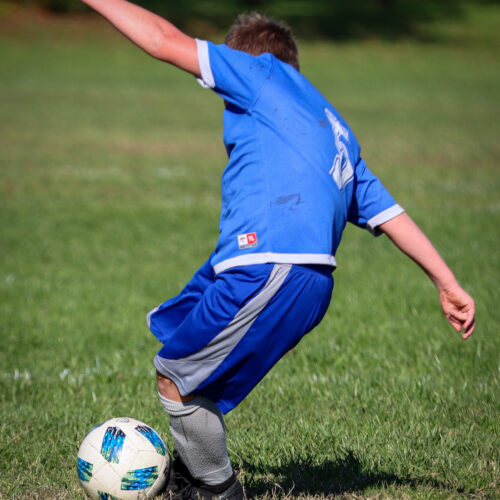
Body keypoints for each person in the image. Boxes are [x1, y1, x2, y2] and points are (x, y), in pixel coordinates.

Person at [80, 2, 476, 499]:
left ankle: (217, 490)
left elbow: (163, 40)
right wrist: (447, 283)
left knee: (175, 377)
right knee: (180, 332)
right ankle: (193, 464)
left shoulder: (258, 73)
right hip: (302, 280)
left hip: (268, 267)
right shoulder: (336, 130)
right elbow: (390, 214)